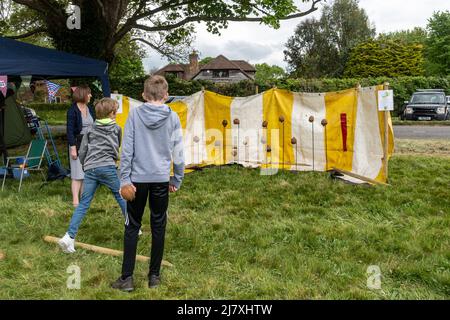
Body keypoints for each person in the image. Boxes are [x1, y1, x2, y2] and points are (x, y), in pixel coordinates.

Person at [111, 75, 185, 291]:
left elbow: (126, 150)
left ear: (143, 95)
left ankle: (127, 279)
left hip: (136, 180)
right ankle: (154, 276)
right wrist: (176, 178)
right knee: (158, 226)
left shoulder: (135, 114)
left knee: (132, 226)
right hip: (160, 180)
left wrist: (124, 179)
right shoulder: (173, 118)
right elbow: (178, 153)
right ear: (167, 95)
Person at [58, 98, 127, 253]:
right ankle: (134, 227)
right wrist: (114, 159)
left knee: (83, 203)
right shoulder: (117, 128)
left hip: (90, 169)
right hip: (108, 167)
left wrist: (85, 164)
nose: (116, 114)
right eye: (115, 112)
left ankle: (69, 237)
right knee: (121, 196)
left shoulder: (89, 129)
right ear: (111, 113)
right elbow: (117, 145)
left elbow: (83, 150)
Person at [67, 85, 95, 207]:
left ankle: (84, 199)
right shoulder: (72, 110)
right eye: (89, 94)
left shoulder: (90, 108)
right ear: (83, 94)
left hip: (90, 143)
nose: (90, 96)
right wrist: (73, 148)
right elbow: (69, 131)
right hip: (77, 143)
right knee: (77, 173)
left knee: (86, 173)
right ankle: (75, 200)